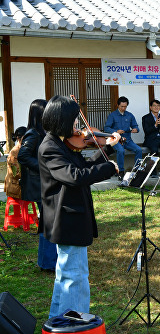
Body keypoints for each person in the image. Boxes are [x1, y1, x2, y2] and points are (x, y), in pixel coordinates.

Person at [39, 95, 120, 318]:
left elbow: (84, 165)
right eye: (74, 120)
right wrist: (109, 169)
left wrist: (108, 150)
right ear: (62, 119)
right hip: (66, 219)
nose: (78, 126)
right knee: (75, 276)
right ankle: (73, 323)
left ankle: (58, 320)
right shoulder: (50, 148)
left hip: (71, 217)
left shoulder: (61, 143)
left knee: (66, 275)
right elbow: (75, 176)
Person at [18, 99, 57, 272]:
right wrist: (43, 166)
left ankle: (46, 261)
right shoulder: (33, 133)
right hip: (37, 183)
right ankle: (48, 262)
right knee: (48, 221)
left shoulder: (42, 132)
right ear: (39, 113)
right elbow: (23, 156)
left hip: (43, 182)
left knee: (47, 221)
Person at [104, 96, 142, 180]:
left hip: (127, 140)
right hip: (116, 140)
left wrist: (136, 129)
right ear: (117, 105)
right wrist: (116, 131)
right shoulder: (112, 115)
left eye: (125, 106)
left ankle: (137, 170)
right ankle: (120, 171)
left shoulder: (130, 115)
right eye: (122, 106)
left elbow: (136, 126)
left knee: (139, 149)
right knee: (121, 151)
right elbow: (106, 128)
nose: (123, 108)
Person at [4, 126, 26, 200]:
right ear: (20, 138)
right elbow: (15, 173)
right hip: (15, 186)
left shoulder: (23, 149)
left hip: (20, 184)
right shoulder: (14, 152)